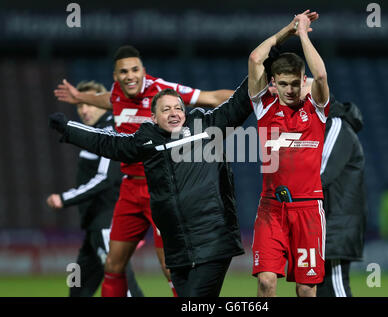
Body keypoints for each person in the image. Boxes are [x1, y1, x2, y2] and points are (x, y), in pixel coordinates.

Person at [53, 46, 234, 297]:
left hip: (160, 187)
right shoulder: (116, 94)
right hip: (129, 189)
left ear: (144, 72)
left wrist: (256, 97)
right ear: (116, 77)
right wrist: (81, 98)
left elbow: (213, 98)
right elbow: (108, 99)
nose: (130, 76)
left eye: (135, 70)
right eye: (124, 71)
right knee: (113, 265)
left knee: (170, 267)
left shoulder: (160, 90)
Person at [248, 10, 329, 297]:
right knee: (267, 281)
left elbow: (320, 74)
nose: (290, 90)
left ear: (303, 80)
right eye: (282, 84)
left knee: (306, 289)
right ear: (273, 83)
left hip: (308, 208)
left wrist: (304, 35)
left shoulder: (316, 110)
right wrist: (289, 29)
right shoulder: (265, 107)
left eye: (295, 83)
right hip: (271, 209)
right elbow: (256, 58)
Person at [46, 80, 144, 297]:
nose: (84, 109)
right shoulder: (94, 133)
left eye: (89, 103)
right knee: (78, 287)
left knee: (123, 286)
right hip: (93, 228)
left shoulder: (110, 130)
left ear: (103, 103)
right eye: (80, 106)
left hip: (107, 224)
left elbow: (105, 178)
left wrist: (65, 198)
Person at [317, 100, 368, 297]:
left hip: (336, 225)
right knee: (321, 289)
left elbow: (322, 174)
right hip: (328, 223)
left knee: (335, 286)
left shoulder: (337, 127)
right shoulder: (327, 128)